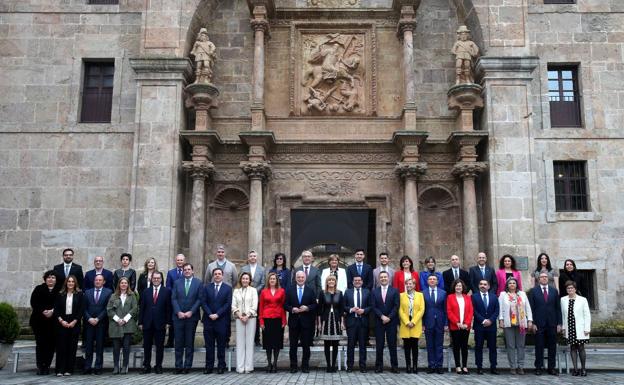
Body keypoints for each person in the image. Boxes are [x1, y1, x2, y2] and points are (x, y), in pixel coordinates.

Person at [529, 271, 562, 376]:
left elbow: (558, 309)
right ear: (538, 279)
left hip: (552, 323)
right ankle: (538, 367)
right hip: (539, 324)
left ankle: (551, 368)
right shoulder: (533, 291)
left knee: (552, 346)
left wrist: (559, 323)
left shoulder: (554, 291)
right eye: (542, 277)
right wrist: (533, 323)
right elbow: (531, 308)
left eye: (545, 277)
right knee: (539, 346)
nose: (544, 278)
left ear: (548, 279)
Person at [171, 263, 202, 374]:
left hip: (191, 318)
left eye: (189, 269)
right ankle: (178, 366)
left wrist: (191, 312)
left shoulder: (198, 283)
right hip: (178, 317)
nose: (187, 271)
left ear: (192, 271)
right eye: (185, 270)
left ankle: (187, 366)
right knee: (178, 343)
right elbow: (173, 298)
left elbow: (199, 299)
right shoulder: (177, 283)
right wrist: (178, 311)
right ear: (183, 271)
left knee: (189, 343)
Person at [201, 268, 233, 374]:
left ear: (222, 276)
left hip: (221, 321)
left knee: (221, 345)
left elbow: (228, 304)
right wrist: (210, 314)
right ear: (213, 276)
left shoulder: (228, 288)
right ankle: (209, 366)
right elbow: (203, 302)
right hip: (208, 320)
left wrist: (217, 314)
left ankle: (221, 365)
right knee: (209, 345)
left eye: (219, 274)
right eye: (215, 274)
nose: (217, 275)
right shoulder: (206, 288)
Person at [498, 277, 532, 375]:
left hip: (521, 323)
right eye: (510, 283)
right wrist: (501, 320)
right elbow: (500, 308)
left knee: (521, 345)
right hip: (508, 324)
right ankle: (512, 366)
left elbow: (528, 308)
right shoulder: (503, 295)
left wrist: (529, 320)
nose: (512, 284)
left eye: (514, 283)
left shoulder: (522, 294)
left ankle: (520, 366)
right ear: (507, 285)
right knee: (510, 345)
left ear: (517, 284)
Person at [138, 271, 171, 374]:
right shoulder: (146, 292)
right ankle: (146, 366)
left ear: (161, 279)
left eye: (158, 278)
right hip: (147, 323)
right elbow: (142, 308)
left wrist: (168, 322)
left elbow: (168, 308)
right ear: (151, 279)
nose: (156, 280)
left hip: (160, 323)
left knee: (159, 347)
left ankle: (158, 366)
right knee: (147, 346)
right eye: (154, 278)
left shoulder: (167, 291)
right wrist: (140, 322)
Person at [285, 270, 318, 373]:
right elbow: (285, 304)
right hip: (294, 322)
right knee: (293, 346)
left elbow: (315, 305)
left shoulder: (310, 290)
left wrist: (307, 308)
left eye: (302, 277)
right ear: (295, 278)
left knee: (306, 346)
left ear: (305, 278)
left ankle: (305, 366)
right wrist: (291, 309)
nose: (300, 279)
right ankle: (293, 366)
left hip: (306, 322)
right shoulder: (289, 290)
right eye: (298, 277)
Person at [53, 275, 83, 376]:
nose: (70, 283)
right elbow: (56, 309)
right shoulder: (60, 294)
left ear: (75, 283)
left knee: (72, 347)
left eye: (72, 282)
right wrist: (61, 321)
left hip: (74, 322)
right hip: (62, 322)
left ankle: (69, 369)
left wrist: (74, 321)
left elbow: (81, 310)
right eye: (69, 281)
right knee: (61, 347)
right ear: (66, 283)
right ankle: (59, 369)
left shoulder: (79, 294)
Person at [29, 270, 59, 375]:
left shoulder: (59, 290)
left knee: (51, 345)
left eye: (53, 277)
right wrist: (43, 311)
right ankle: (40, 366)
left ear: (56, 280)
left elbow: (61, 304)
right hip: (39, 321)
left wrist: (52, 311)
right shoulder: (39, 289)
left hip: (53, 322)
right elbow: (34, 302)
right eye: (49, 277)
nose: (51, 279)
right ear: (45, 279)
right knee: (41, 344)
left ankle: (47, 365)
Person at [82, 274, 112, 375]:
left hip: (101, 323)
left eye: (100, 280)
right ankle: (87, 367)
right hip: (89, 323)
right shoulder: (87, 292)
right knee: (88, 347)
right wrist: (89, 318)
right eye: (96, 280)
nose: (98, 282)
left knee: (99, 346)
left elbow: (107, 308)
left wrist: (98, 318)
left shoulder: (108, 292)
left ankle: (98, 367)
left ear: (104, 282)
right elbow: (84, 308)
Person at [107, 276, 138, 374]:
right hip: (115, 325)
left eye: (125, 283)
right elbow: (109, 309)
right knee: (116, 348)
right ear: (119, 284)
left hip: (127, 325)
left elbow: (135, 309)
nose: (123, 284)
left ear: (128, 284)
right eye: (122, 283)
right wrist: (118, 319)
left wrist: (125, 319)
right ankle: (116, 366)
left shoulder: (132, 295)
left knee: (126, 347)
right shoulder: (113, 296)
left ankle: (125, 366)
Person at [372, 271, 400, 373]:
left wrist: (389, 317)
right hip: (379, 321)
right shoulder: (375, 291)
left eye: (385, 277)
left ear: (388, 278)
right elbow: (374, 307)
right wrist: (382, 316)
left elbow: (396, 306)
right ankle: (379, 366)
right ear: (379, 279)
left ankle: (394, 366)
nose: (383, 279)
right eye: (381, 277)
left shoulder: (395, 291)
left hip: (391, 321)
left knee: (392, 344)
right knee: (379, 345)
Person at [561, 280, 591, 376]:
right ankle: (575, 369)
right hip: (569, 327)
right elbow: (563, 315)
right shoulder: (563, 300)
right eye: (568, 288)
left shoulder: (582, 299)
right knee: (572, 348)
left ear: (575, 289)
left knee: (581, 348)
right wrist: (564, 327)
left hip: (580, 328)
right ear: (566, 290)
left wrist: (587, 328)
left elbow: (587, 315)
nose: (570, 289)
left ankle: (583, 369)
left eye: (572, 288)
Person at [259, 272, 286, 373]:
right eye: (271, 279)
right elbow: (261, 307)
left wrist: (284, 320)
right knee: (268, 343)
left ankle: (275, 363)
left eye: (274, 279)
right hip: (267, 319)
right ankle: (269, 363)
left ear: (277, 280)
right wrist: (261, 321)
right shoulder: (264, 292)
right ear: (268, 280)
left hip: (278, 319)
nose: (272, 280)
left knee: (277, 343)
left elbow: (283, 307)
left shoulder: (282, 291)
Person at [343, 275, 371, 373]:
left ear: (362, 282)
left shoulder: (367, 292)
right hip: (351, 322)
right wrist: (351, 309)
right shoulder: (347, 292)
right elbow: (344, 306)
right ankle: (350, 366)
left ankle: (362, 366)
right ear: (353, 282)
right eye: (355, 280)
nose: (357, 282)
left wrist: (364, 310)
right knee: (350, 345)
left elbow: (371, 306)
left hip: (363, 322)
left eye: (359, 280)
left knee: (363, 345)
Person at [471, 279, 500, 375]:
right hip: (479, 326)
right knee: (478, 347)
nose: (483, 286)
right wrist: (483, 320)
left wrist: (490, 320)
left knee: (493, 348)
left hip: (491, 327)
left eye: (485, 284)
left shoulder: (494, 297)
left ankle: (493, 367)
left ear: (488, 286)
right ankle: (479, 367)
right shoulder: (473, 297)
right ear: (478, 286)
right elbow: (473, 311)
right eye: (481, 284)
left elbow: (497, 310)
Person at [232, 272, 258, 373]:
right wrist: (240, 315)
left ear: (250, 280)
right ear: (240, 280)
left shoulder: (253, 290)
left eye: (247, 279)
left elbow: (254, 305)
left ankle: (248, 367)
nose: (245, 280)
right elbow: (233, 306)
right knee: (240, 343)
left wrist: (247, 316)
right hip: (239, 319)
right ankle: (240, 367)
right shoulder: (236, 291)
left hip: (250, 318)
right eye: (243, 279)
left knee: (249, 343)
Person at [317, 274, 344, 372]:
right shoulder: (322, 293)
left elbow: (341, 310)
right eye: (329, 280)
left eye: (333, 280)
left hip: (336, 320)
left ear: (335, 282)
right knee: (327, 344)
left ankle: (333, 365)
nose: (331, 282)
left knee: (336, 344)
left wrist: (342, 323)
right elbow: (319, 310)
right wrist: (319, 323)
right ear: (327, 282)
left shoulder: (340, 293)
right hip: (326, 320)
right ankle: (328, 365)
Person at [447, 279, 473, 374]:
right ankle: (458, 366)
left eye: (460, 286)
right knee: (456, 346)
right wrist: (457, 322)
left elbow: (470, 311)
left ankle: (465, 366)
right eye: (457, 286)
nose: (458, 287)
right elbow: (449, 312)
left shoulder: (467, 297)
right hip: (455, 326)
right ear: (454, 287)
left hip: (466, 326)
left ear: (463, 288)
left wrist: (466, 323)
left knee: (464, 346)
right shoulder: (450, 297)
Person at [398, 277, 424, 373]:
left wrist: (413, 321)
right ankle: (408, 366)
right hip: (405, 324)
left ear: (414, 285)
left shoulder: (420, 295)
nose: (409, 285)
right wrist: (406, 321)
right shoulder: (401, 296)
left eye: (411, 284)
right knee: (407, 347)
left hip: (415, 324)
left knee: (415, 346)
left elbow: (421, 309)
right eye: (407, 284)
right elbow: (400, 310)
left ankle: (415, 366)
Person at [240, 250, 265, 345]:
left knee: (256, 318)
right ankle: (246, 339)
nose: (252, 258)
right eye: (251, 256)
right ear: (248, 258)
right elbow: (241, 281)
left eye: (254, 256)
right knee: (245, 316)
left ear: (256, 257)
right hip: (245, 297)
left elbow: (263, 283)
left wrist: (254, 291)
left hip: (257, 297)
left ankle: (257, 339)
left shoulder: (262, 269)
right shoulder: (243, 268)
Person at [423, 274, 447, 374]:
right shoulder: (422, 293)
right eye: (430, 279)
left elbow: (446, 309)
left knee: (439, 345)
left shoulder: (443, 293)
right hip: (428, 322)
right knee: (430, 345)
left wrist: (446, 323)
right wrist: (422, 324)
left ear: (437, 281)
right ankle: (431, 365)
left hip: (440, 323)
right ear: (427, 281)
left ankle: (439, 366)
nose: (432, 281)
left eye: (434, 279)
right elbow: (422, 310)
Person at [165, 253, 187, 347]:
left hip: (185, 301)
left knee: (184, 322)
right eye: (178, 260)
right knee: (173, 322)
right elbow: (168, 286)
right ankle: (170, 342)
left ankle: (183, 342)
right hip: (173, 300)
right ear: (175, 261)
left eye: (181, 260)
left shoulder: (187, 271)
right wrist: (175, 293)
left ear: (184, 261)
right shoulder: (171, 272)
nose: (179, 262)